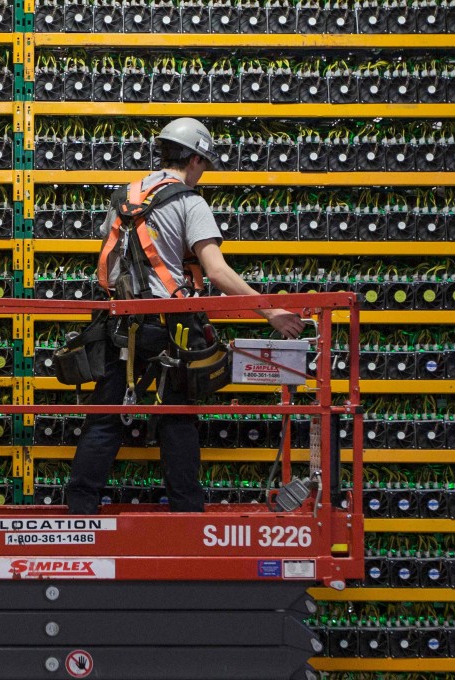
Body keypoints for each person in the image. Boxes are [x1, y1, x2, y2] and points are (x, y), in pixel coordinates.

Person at [65, 117, 305, 515]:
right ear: (193, 158)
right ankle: (187, 513)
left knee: (105, 416)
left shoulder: (126, 195)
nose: (203, 172)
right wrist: (272, 312)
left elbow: (109, 262)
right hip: (168, 328)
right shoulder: (190, 202)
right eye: (204, 163)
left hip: (120, 325)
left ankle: (80, 509)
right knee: (177, 420)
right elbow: (217, 271)